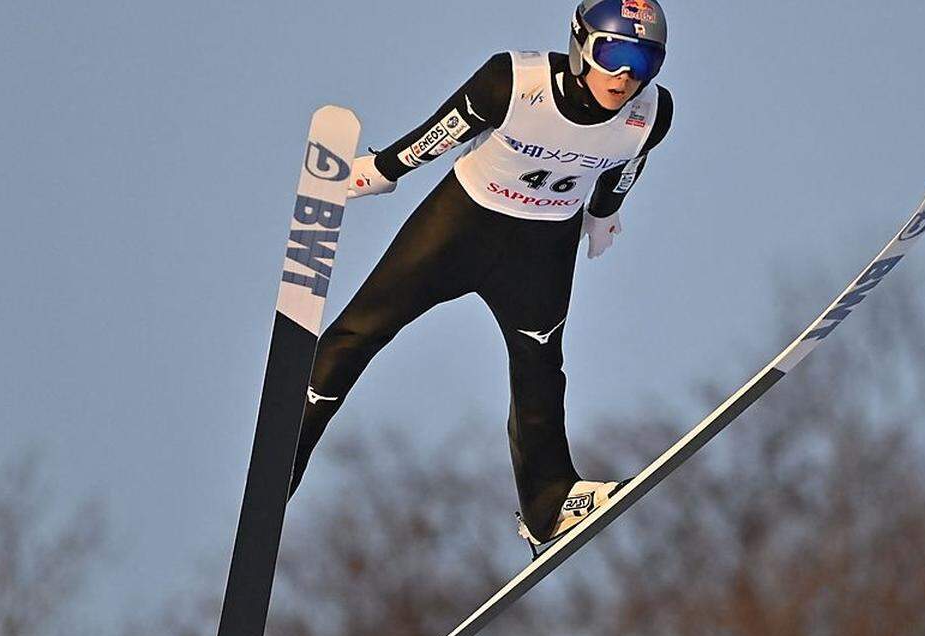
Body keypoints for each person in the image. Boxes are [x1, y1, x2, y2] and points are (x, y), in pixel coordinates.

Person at [288, 0, 673, 549]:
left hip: (542, 247)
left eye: (644, 61)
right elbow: (441, 132)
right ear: (582, 44)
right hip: (461, 226)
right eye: (613, 53)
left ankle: (550, 505)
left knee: (540, 370)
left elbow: (626, 165)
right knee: (359, 332)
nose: (625, 75)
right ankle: (286, 454)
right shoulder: (513, 81)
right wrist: (380, 170)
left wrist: (605, 213)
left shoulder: (651, 114)